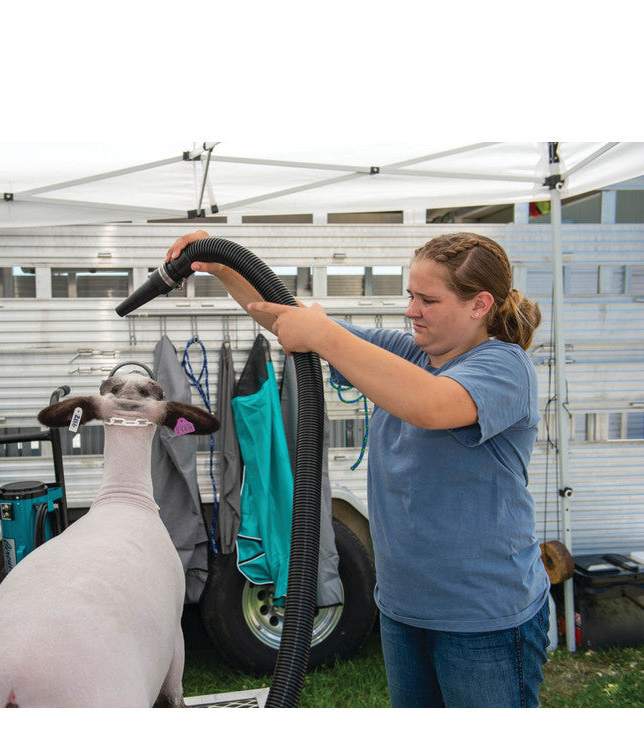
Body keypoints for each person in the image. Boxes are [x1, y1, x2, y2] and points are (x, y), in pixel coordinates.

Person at [165, 229, 551, 708]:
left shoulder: (504, 366)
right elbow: (281, 317)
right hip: (404, 608)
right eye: (411, 295)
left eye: (428, 300)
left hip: (483, 618)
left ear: (479, 305)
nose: (412, 310)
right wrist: (223, 266)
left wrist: (324, 334)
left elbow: (431, 405)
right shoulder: (410, 352)